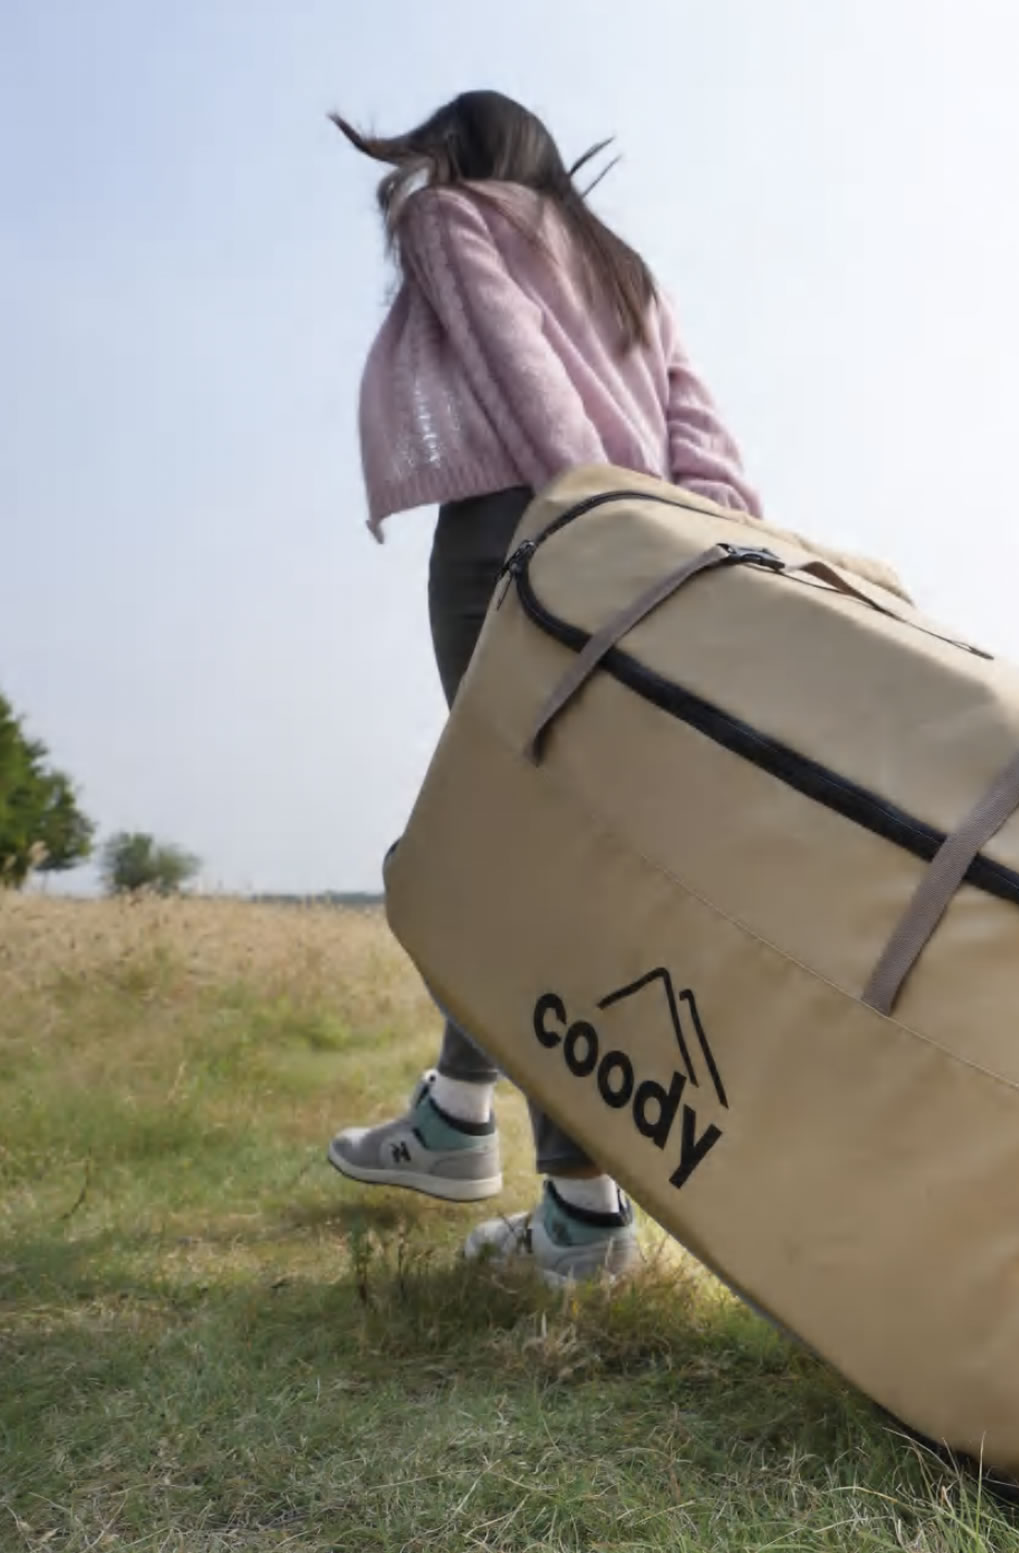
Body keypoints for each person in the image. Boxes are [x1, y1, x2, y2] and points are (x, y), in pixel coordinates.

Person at [325, 90, 762, 1285]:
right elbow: (700, 433)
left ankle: (579, 1209)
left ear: (460, 152)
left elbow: (522, 376)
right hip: (646, 563)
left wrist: (582, 520)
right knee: (530, 842)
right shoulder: (625, 267)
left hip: (527, 546)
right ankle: (457, 1116)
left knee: (512, 856)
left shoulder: (453, 217)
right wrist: (704, 554)